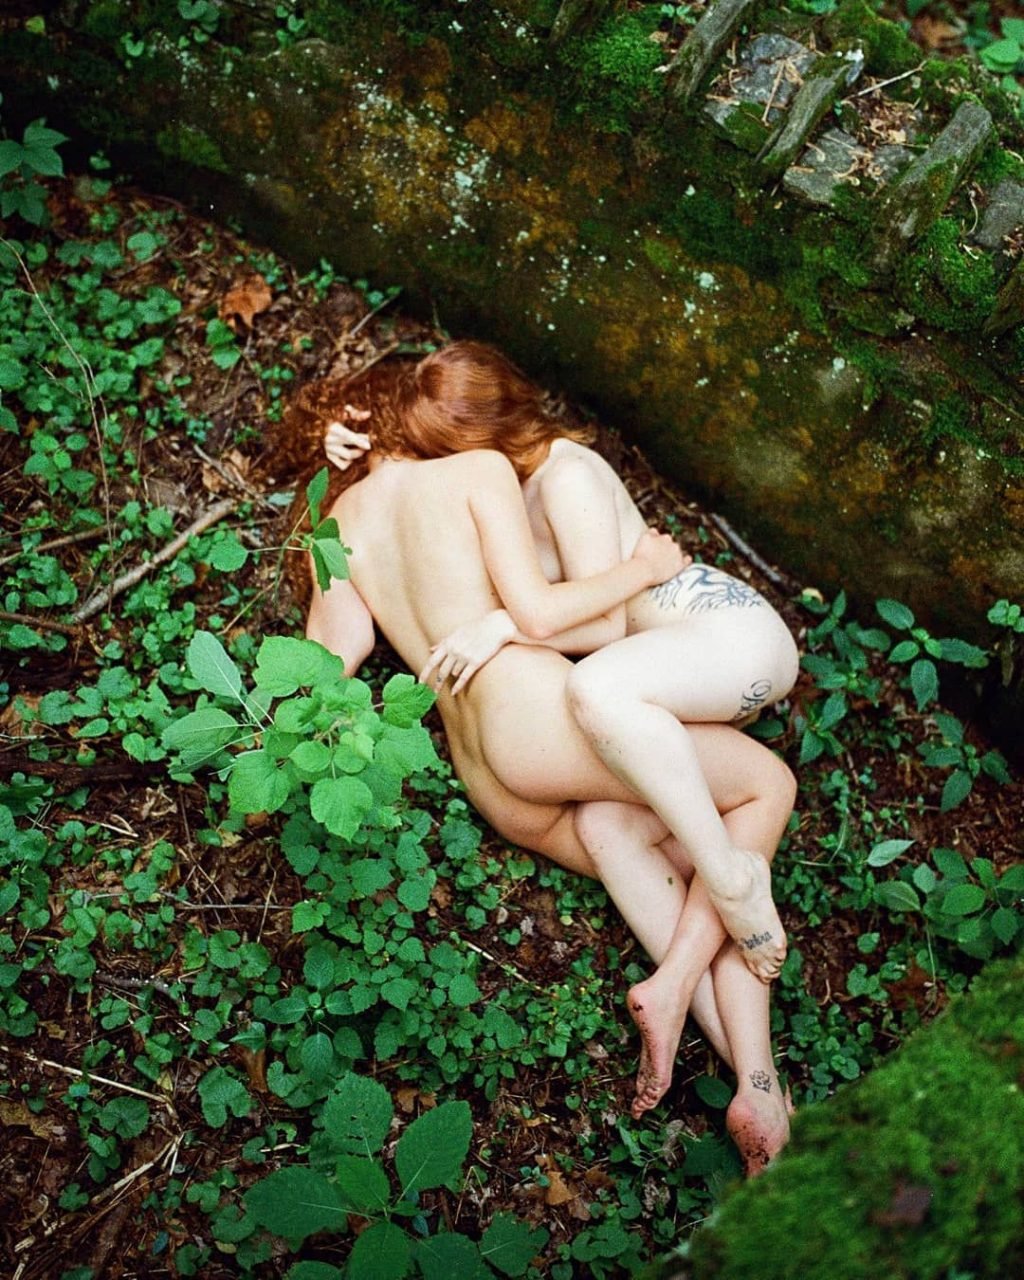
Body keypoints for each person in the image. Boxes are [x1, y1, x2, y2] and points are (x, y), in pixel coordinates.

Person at [290, 373, 795, 1167]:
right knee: (766, 784)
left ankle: (757, 1085)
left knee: (643, 840)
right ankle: (739, 1048)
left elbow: (330, 659)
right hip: (532, 716)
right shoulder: (475, 471)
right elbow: (538, 614)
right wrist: (643, 568)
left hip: (484, 774)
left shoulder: (335, 524)